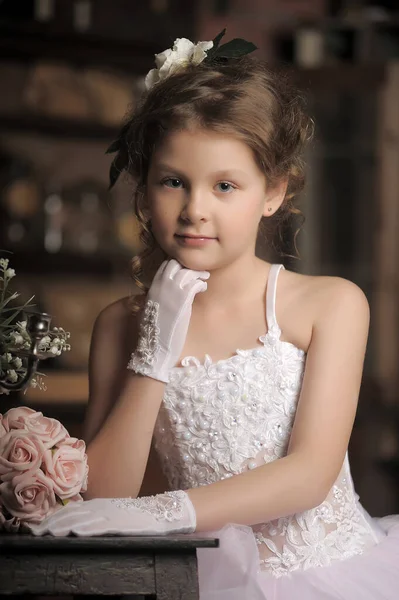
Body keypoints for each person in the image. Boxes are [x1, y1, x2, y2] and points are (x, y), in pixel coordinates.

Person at [29, 33, 399, 599]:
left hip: (329, 578)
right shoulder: (120, 323)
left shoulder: (331, 303)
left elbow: (309, 475)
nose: (195, 210)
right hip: (196, 582)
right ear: (144, 193)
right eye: (173, 181)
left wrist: (159, 515)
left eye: (225, 186)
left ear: (272, 192)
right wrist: (156, 345)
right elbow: (105, 495)